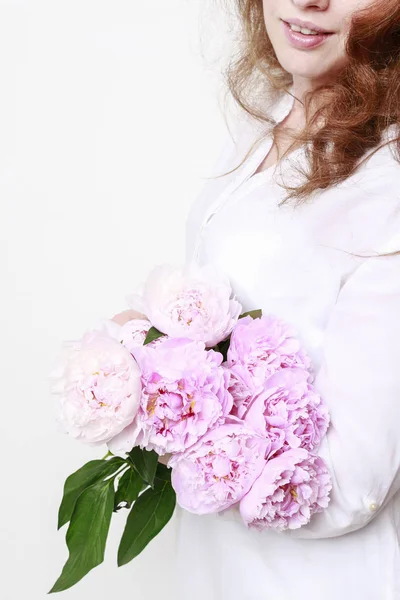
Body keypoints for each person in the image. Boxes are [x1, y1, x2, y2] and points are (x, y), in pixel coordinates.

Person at [114, 0, 400, 598]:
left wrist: (171, 414)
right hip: (220, 565)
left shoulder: (389, 180)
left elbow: (353, 484)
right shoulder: (271, 115)